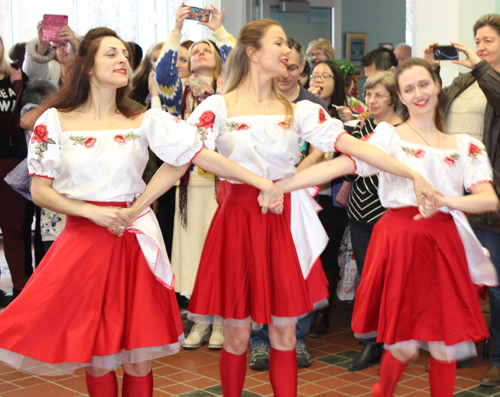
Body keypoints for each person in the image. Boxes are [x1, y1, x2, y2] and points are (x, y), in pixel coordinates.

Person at [123, 19, 434, 396]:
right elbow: (182, 158)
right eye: (278, 43)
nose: (287, 51)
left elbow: (350, 145)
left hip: (282, 221)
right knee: (237, 333)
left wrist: (410, 173)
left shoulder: (297, 109)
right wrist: (138, 205)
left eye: (287, 44)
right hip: (237, 220)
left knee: (285, 330)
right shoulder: (217, 106)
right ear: (253, 52)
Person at [0, 27, 282, 397]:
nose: (122, 60)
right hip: (84, 243)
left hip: (136, 241)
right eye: (111, 54)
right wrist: (91, 212)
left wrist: (138, 205)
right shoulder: (53, 121)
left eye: (124, 55)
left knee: (138, 356)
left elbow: (189, 156)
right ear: (87, 67)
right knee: (99, 355)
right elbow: (40, 191)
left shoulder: (143, 119)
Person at [274, 57, 498, 396]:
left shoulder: (467, 145)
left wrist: (445, 201)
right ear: (401, 97)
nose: (419, 93)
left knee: (443, 346)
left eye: (424, 84)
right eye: (409, 89)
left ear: (437, 86)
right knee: (405, 345)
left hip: (444, 242)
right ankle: (383, 389)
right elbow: (343, 165)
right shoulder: (389, 136)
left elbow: (488, 200)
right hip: (402, 242)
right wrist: (282, 185)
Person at [423, 13, 500, 387]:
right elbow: (432, 108)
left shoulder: (487, 77)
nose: (480, 47)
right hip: (452, 191)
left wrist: (480, 65)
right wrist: (431, 70)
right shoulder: (465, 80)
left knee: (494, 280)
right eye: (477, 41)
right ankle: (459, 343)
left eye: (488, 41)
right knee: (455, 276)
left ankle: (498, 358)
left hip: (488, 193)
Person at [155, 4, 234, 351]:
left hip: (224, 184)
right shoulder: (179, 92)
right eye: (194, 50)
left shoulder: (230, 90)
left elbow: (239, 59)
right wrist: (176, 29)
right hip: (190, 185)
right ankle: (200, 320)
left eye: (208, 50)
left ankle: (220, 321)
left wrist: (218, 30)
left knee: (220, 253)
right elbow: (162, 75)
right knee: (194, 254)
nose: (200, 52)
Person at [248, 35, 327, 370]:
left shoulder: (309, 105)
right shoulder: (252, 103)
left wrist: (292, 177)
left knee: (299, 267)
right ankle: (259, 342)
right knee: (259, 268)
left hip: (297, 195)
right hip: (257, 197)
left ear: (301, 70)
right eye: (280, 64)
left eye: (292, 66)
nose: (286, 72)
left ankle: (299, 340)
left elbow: (323, 149)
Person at [344, 71, 402, 372]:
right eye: (368, 94)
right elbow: (348, 170)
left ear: (393, 97)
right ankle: (373, 341)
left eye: (379, 95)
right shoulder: (361, 126)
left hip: (389, 215)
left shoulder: (402, 131)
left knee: (393, 278)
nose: (372, 100)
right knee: (369, 278)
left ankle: (395, 340)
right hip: (359, 213)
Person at [307, 59, 350, 337]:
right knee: (305, 252)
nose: (319, 79)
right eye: (315, 74)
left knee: (327, 253)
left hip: (329, 194)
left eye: (326, 75)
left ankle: (324, 311)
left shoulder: (343, 115)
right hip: (299, 192)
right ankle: (304, 306)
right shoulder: (297, 108)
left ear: (336, 82)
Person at [0, 34, 29, 305]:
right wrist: (13, 123)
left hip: (13, 161)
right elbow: (16, 122)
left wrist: (13, 124)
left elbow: (30, 114)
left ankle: (20, 289)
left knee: (13, 229)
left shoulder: (18, 77)